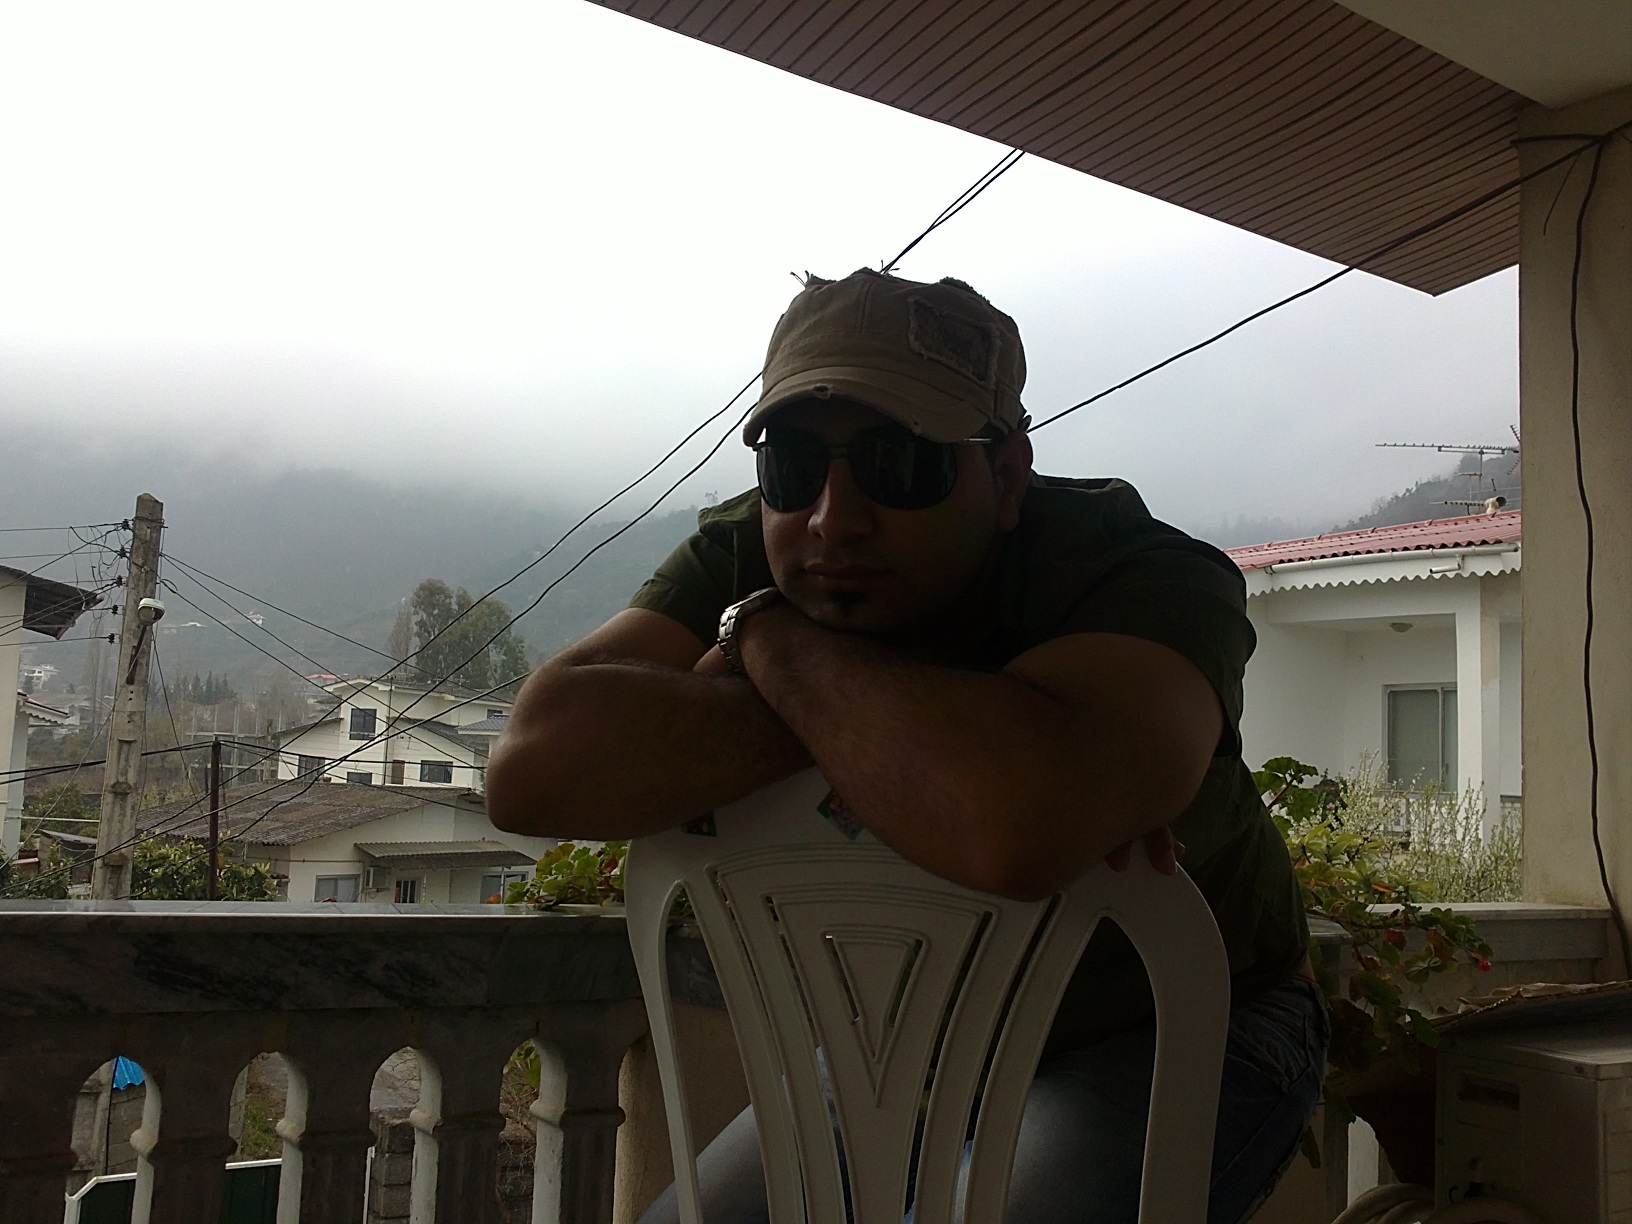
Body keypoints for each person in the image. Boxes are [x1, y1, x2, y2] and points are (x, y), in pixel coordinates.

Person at [486, 268, 1326, 1223]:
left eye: (901, 463)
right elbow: (537, 769)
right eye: (793, 464)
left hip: (1174, 1025)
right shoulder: (755, 548)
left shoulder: (1142, 574)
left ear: (1006, 475)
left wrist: (764, 642)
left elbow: (1010, 823)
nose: (834, 517)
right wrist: (943, 732)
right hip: (901, 1043)